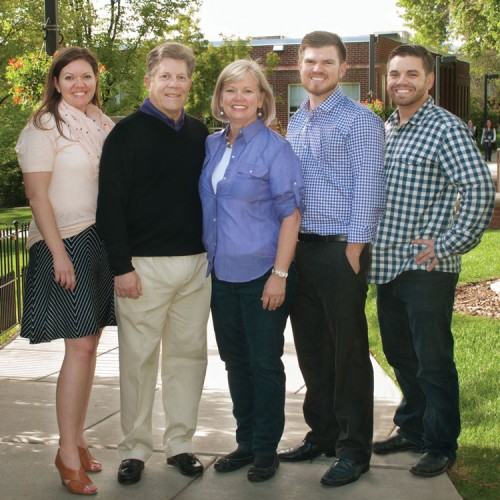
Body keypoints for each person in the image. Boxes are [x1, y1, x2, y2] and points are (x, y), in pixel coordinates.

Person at [371, 45, 495, 478]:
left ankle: (441, 442)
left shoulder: (445, 127)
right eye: (394, 74)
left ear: (429, 80)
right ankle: (413, 427)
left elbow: (478, 187)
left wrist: (449, 243)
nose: (400, 81)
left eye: (410, 74)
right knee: (400, 354)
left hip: (427, 268)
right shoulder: (388, 128)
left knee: (433, 358)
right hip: (387, 264)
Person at [96, 42, 211, 485]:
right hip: (142, 268)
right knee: (138, 362)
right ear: (150, 80)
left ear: (189, 84)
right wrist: (121, 266)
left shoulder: (202, 134)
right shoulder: (125, 135)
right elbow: (110, 207)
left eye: (181, 77)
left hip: (196, 267)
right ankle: (135, 449)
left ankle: (181, 443)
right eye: (165, 76)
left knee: (188, 358)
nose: (174, 84)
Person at [278, 31, 386, 487]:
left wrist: (355, 249)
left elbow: (370, 187)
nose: (316, 70)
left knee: (348, 353)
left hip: (341, 249)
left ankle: (353, 448)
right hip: (301, 249)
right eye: (309, 63)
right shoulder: (298, 119)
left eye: (326, 63)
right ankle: (321, 433)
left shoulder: (359, 121)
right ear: (300, 68)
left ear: (345, 68)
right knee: (313, 349)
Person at [16, 46, 116, 495]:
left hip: (99, 242)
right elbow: (38, 197)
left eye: (87, 76)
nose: (80, 84)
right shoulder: (43, 127)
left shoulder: (103, 124)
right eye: (70, 77)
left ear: (97, 80)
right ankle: (67, 454)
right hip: (64, 242)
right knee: (78, 348)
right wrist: (58, 253)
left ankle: (76, 439)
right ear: (56, 83)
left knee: (89, 347)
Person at [199, 59, 303, 482]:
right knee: (234, 361)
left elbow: (291, 217)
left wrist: (279, 276)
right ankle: (244, 441)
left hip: (263, 275)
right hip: (220, 274)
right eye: (230, 90)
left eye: (247, 90)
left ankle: (265, 449)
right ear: (219, 98)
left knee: (264, 363)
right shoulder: (210, 145)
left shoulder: (276, 149)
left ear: (262, 99)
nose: (238, 98)